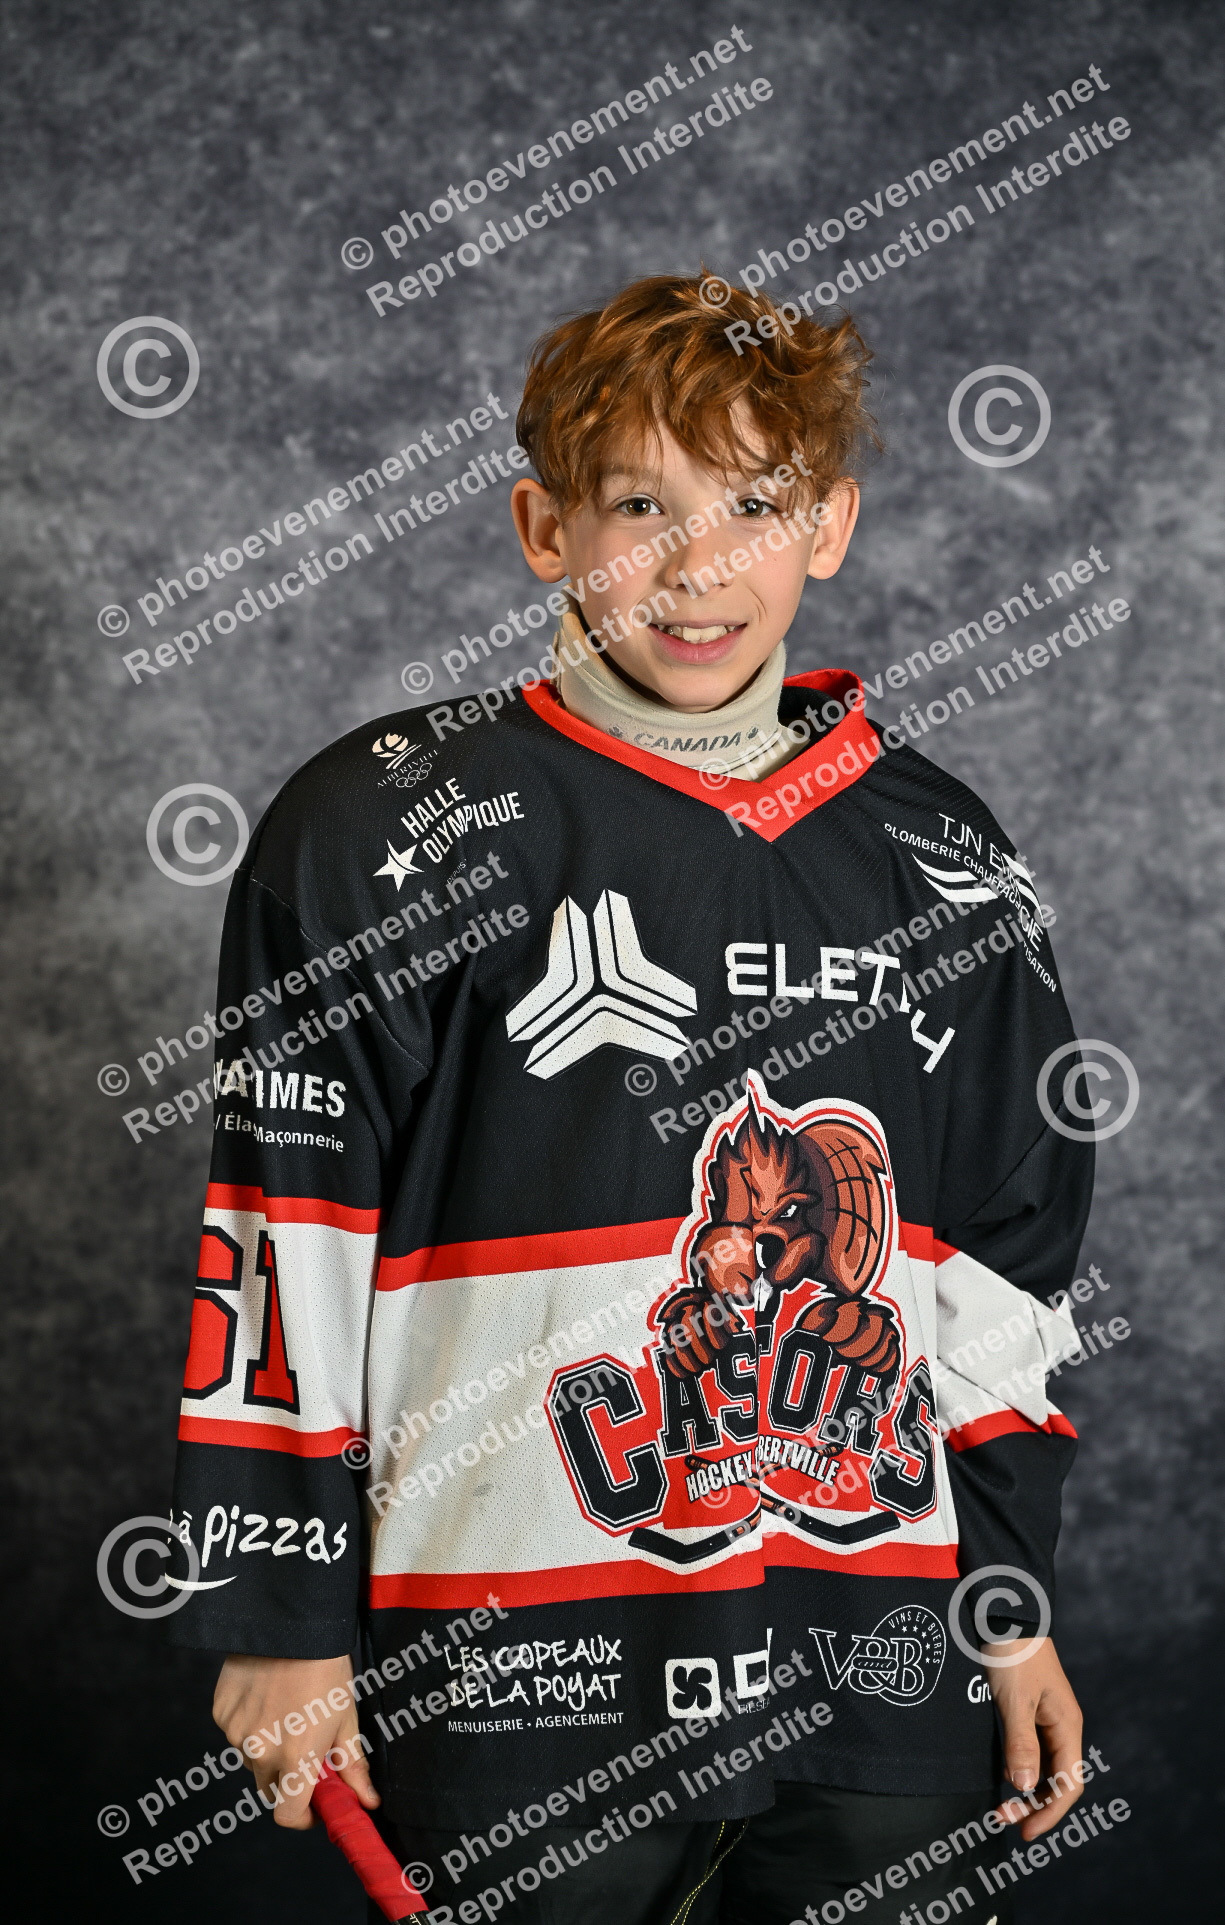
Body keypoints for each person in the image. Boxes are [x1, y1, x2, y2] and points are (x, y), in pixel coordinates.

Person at [167, 272, 1094, 1925]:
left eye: (755, 505)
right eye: (640, 506)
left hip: (879, 1669)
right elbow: (284, 1235)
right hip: (517, 1668)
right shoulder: (377, 827)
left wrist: (1007, 1606)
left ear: (831, 525)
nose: (697, 567)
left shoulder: (944, 852)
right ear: (545, 527)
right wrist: (279, 1613)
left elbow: (1004, 1266)